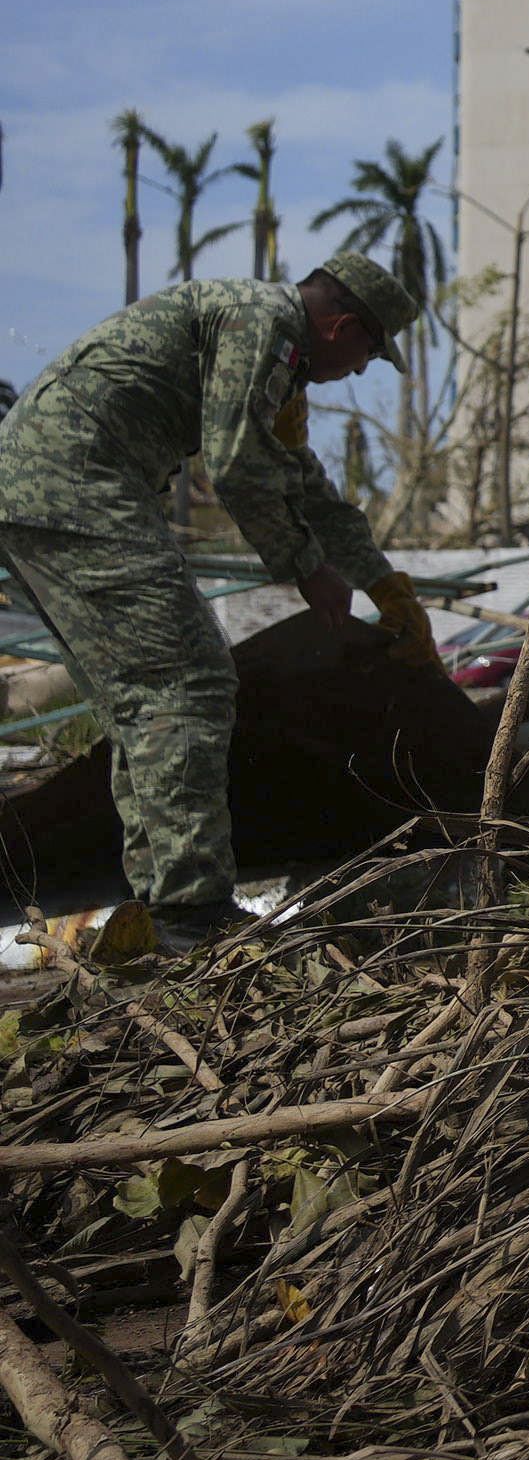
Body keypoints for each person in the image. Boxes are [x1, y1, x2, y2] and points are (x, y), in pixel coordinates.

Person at [0, 254, 437, 949]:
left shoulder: (276, 360)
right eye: (366, 353)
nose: (359, 371)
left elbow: (299, 479)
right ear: (343, 326)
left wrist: (386, 585)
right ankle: (191, 915)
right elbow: (237, 465)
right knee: (188, 684)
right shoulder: (264, 322)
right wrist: (305, 568)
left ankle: (161, 904)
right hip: (76, 485)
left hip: (46, 489)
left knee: (144, 701)